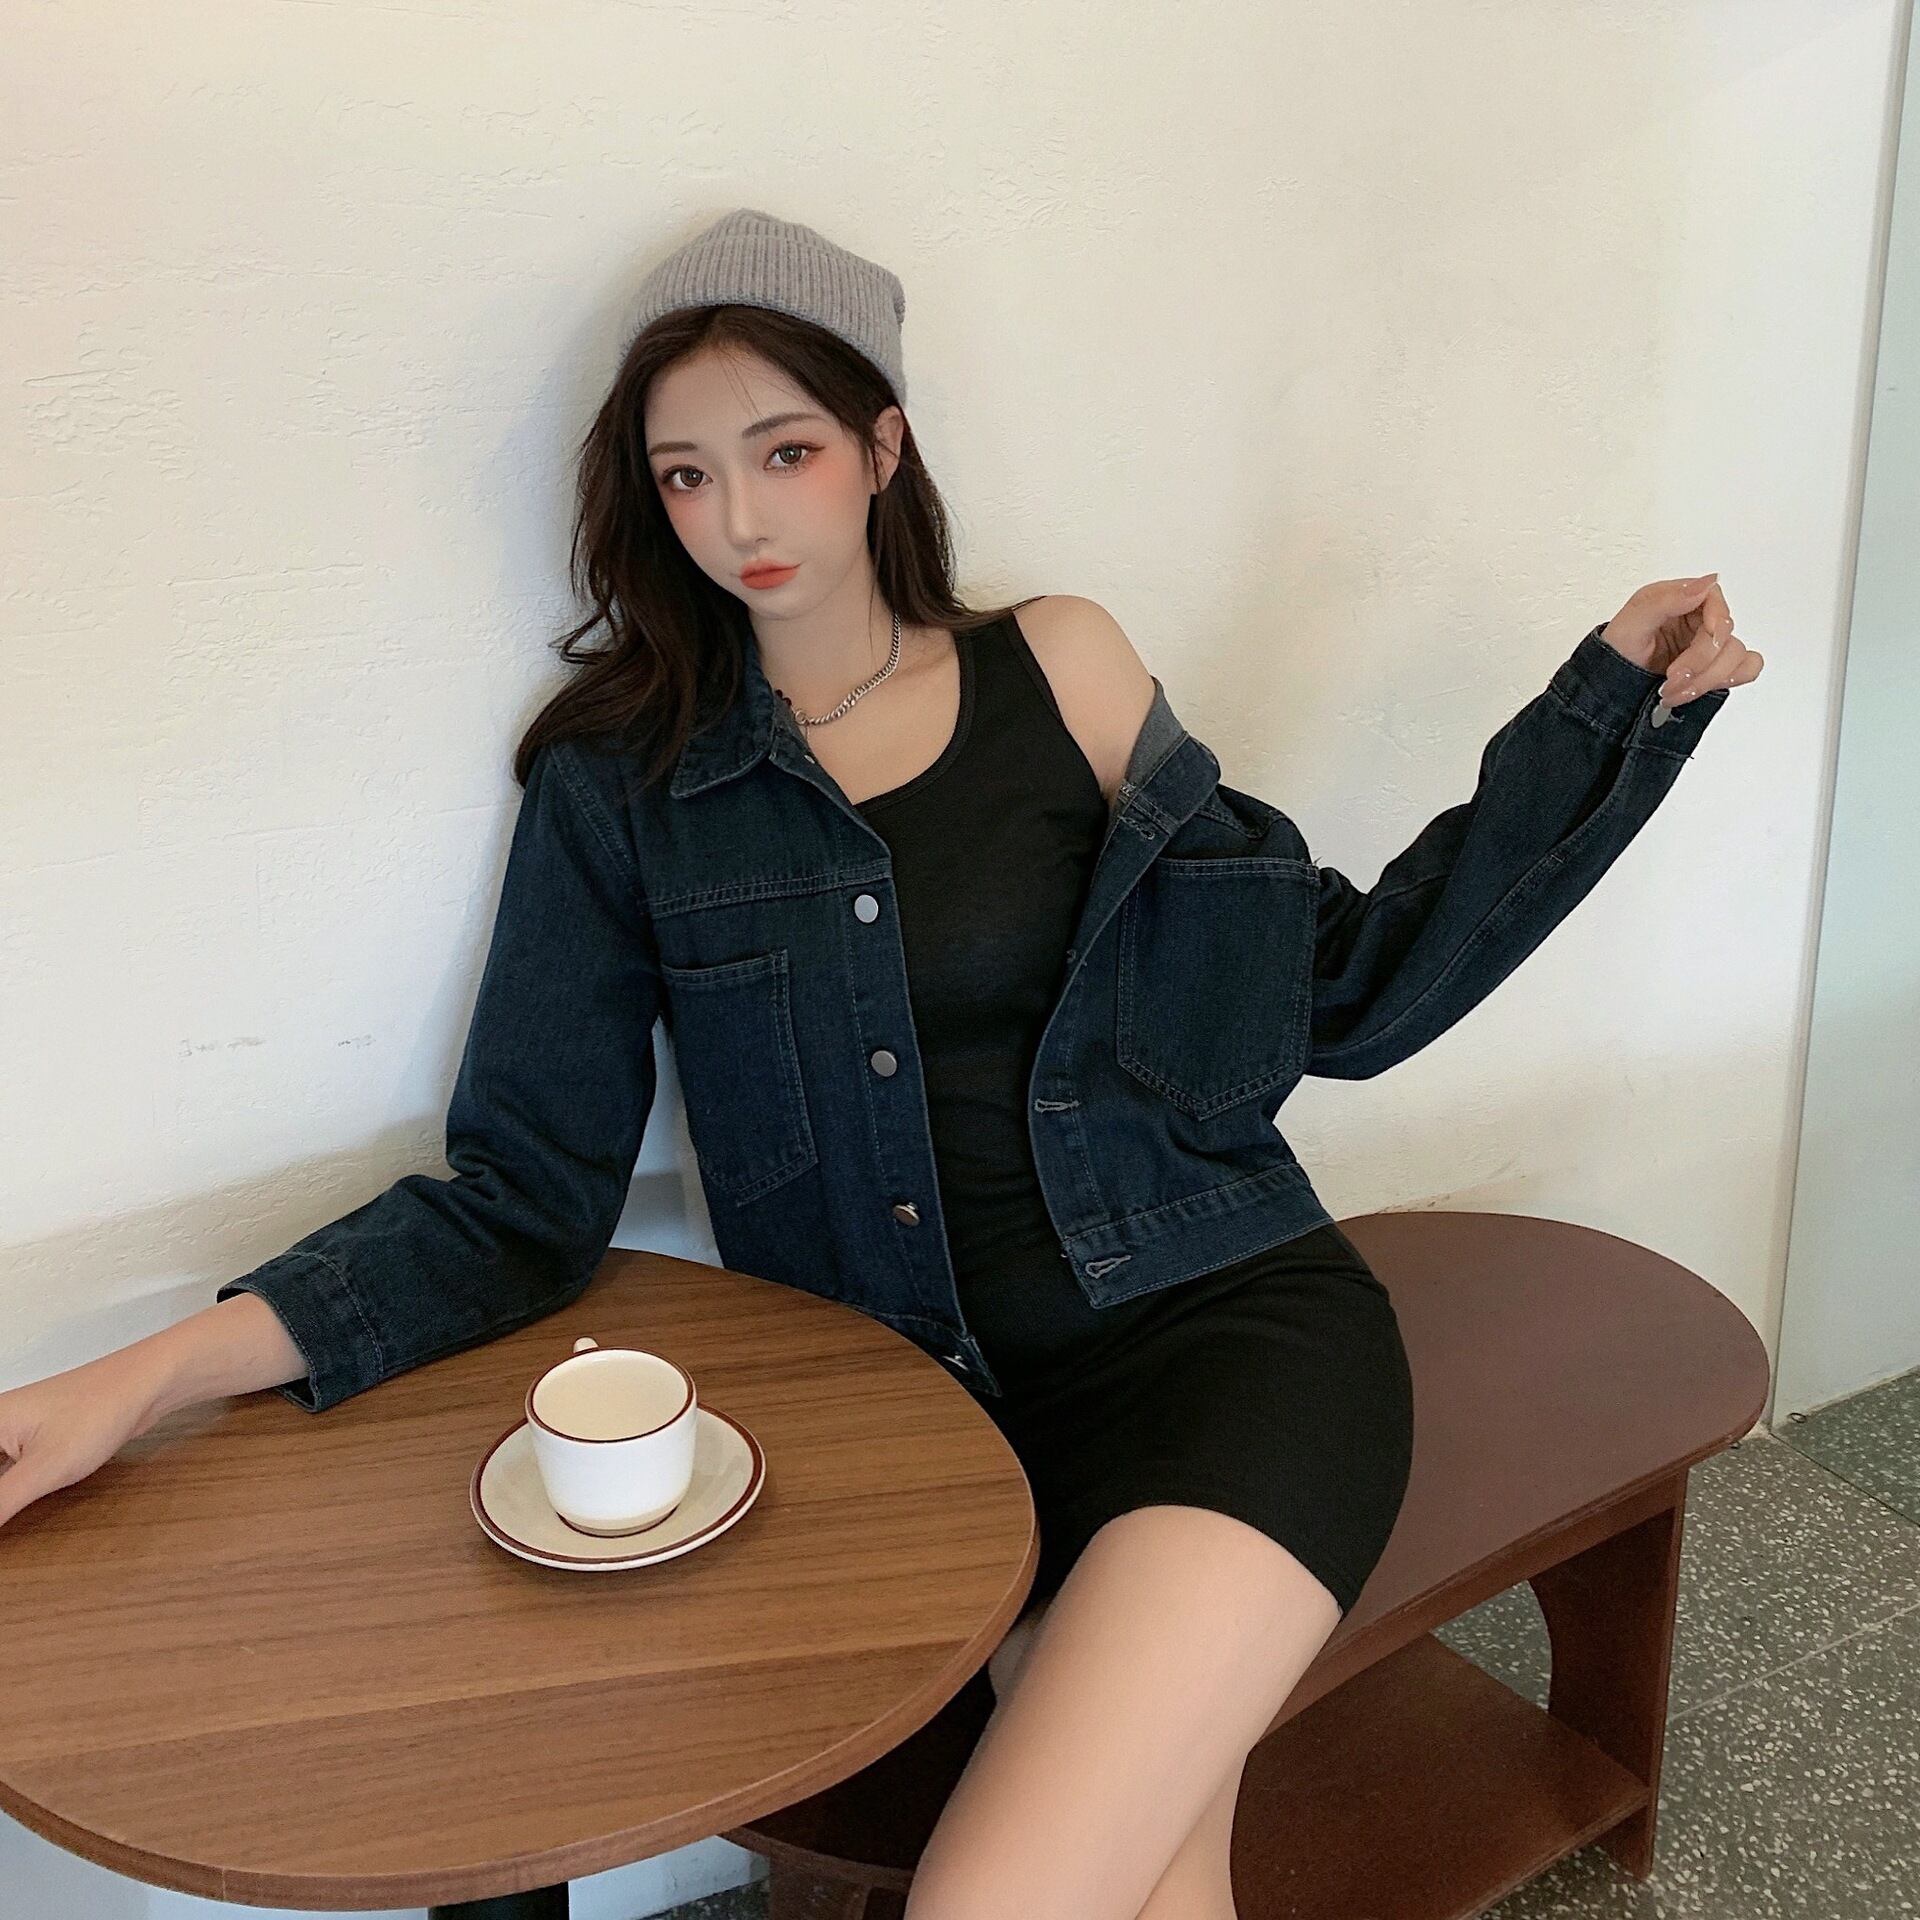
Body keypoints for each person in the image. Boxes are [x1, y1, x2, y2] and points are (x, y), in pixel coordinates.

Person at [0, 208, 1761, 1920]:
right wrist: (136, 1384)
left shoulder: (1064, 668)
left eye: (785, 451)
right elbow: (521, 1195)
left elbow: (1341, 991)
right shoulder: (623, 789)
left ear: (882, 445)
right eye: (687, 475)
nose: (740, 518)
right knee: (1151, 1874)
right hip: (934, 1442)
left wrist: (1607, 710)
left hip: (1221, 1341)